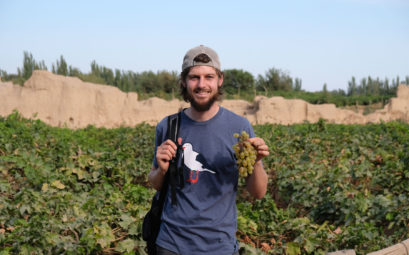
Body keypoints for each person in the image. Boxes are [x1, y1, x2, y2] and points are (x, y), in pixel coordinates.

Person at [148, 45, 269, 255]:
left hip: (219, 246)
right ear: (184, 81)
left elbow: (258, 193)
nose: (201, 84)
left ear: (219, 80)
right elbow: (155, 183)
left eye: (208, 77)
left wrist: (256, 161)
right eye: (194, 77)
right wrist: (161, 169)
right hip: (171, 244)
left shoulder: (239, 128)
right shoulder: (167, 126)